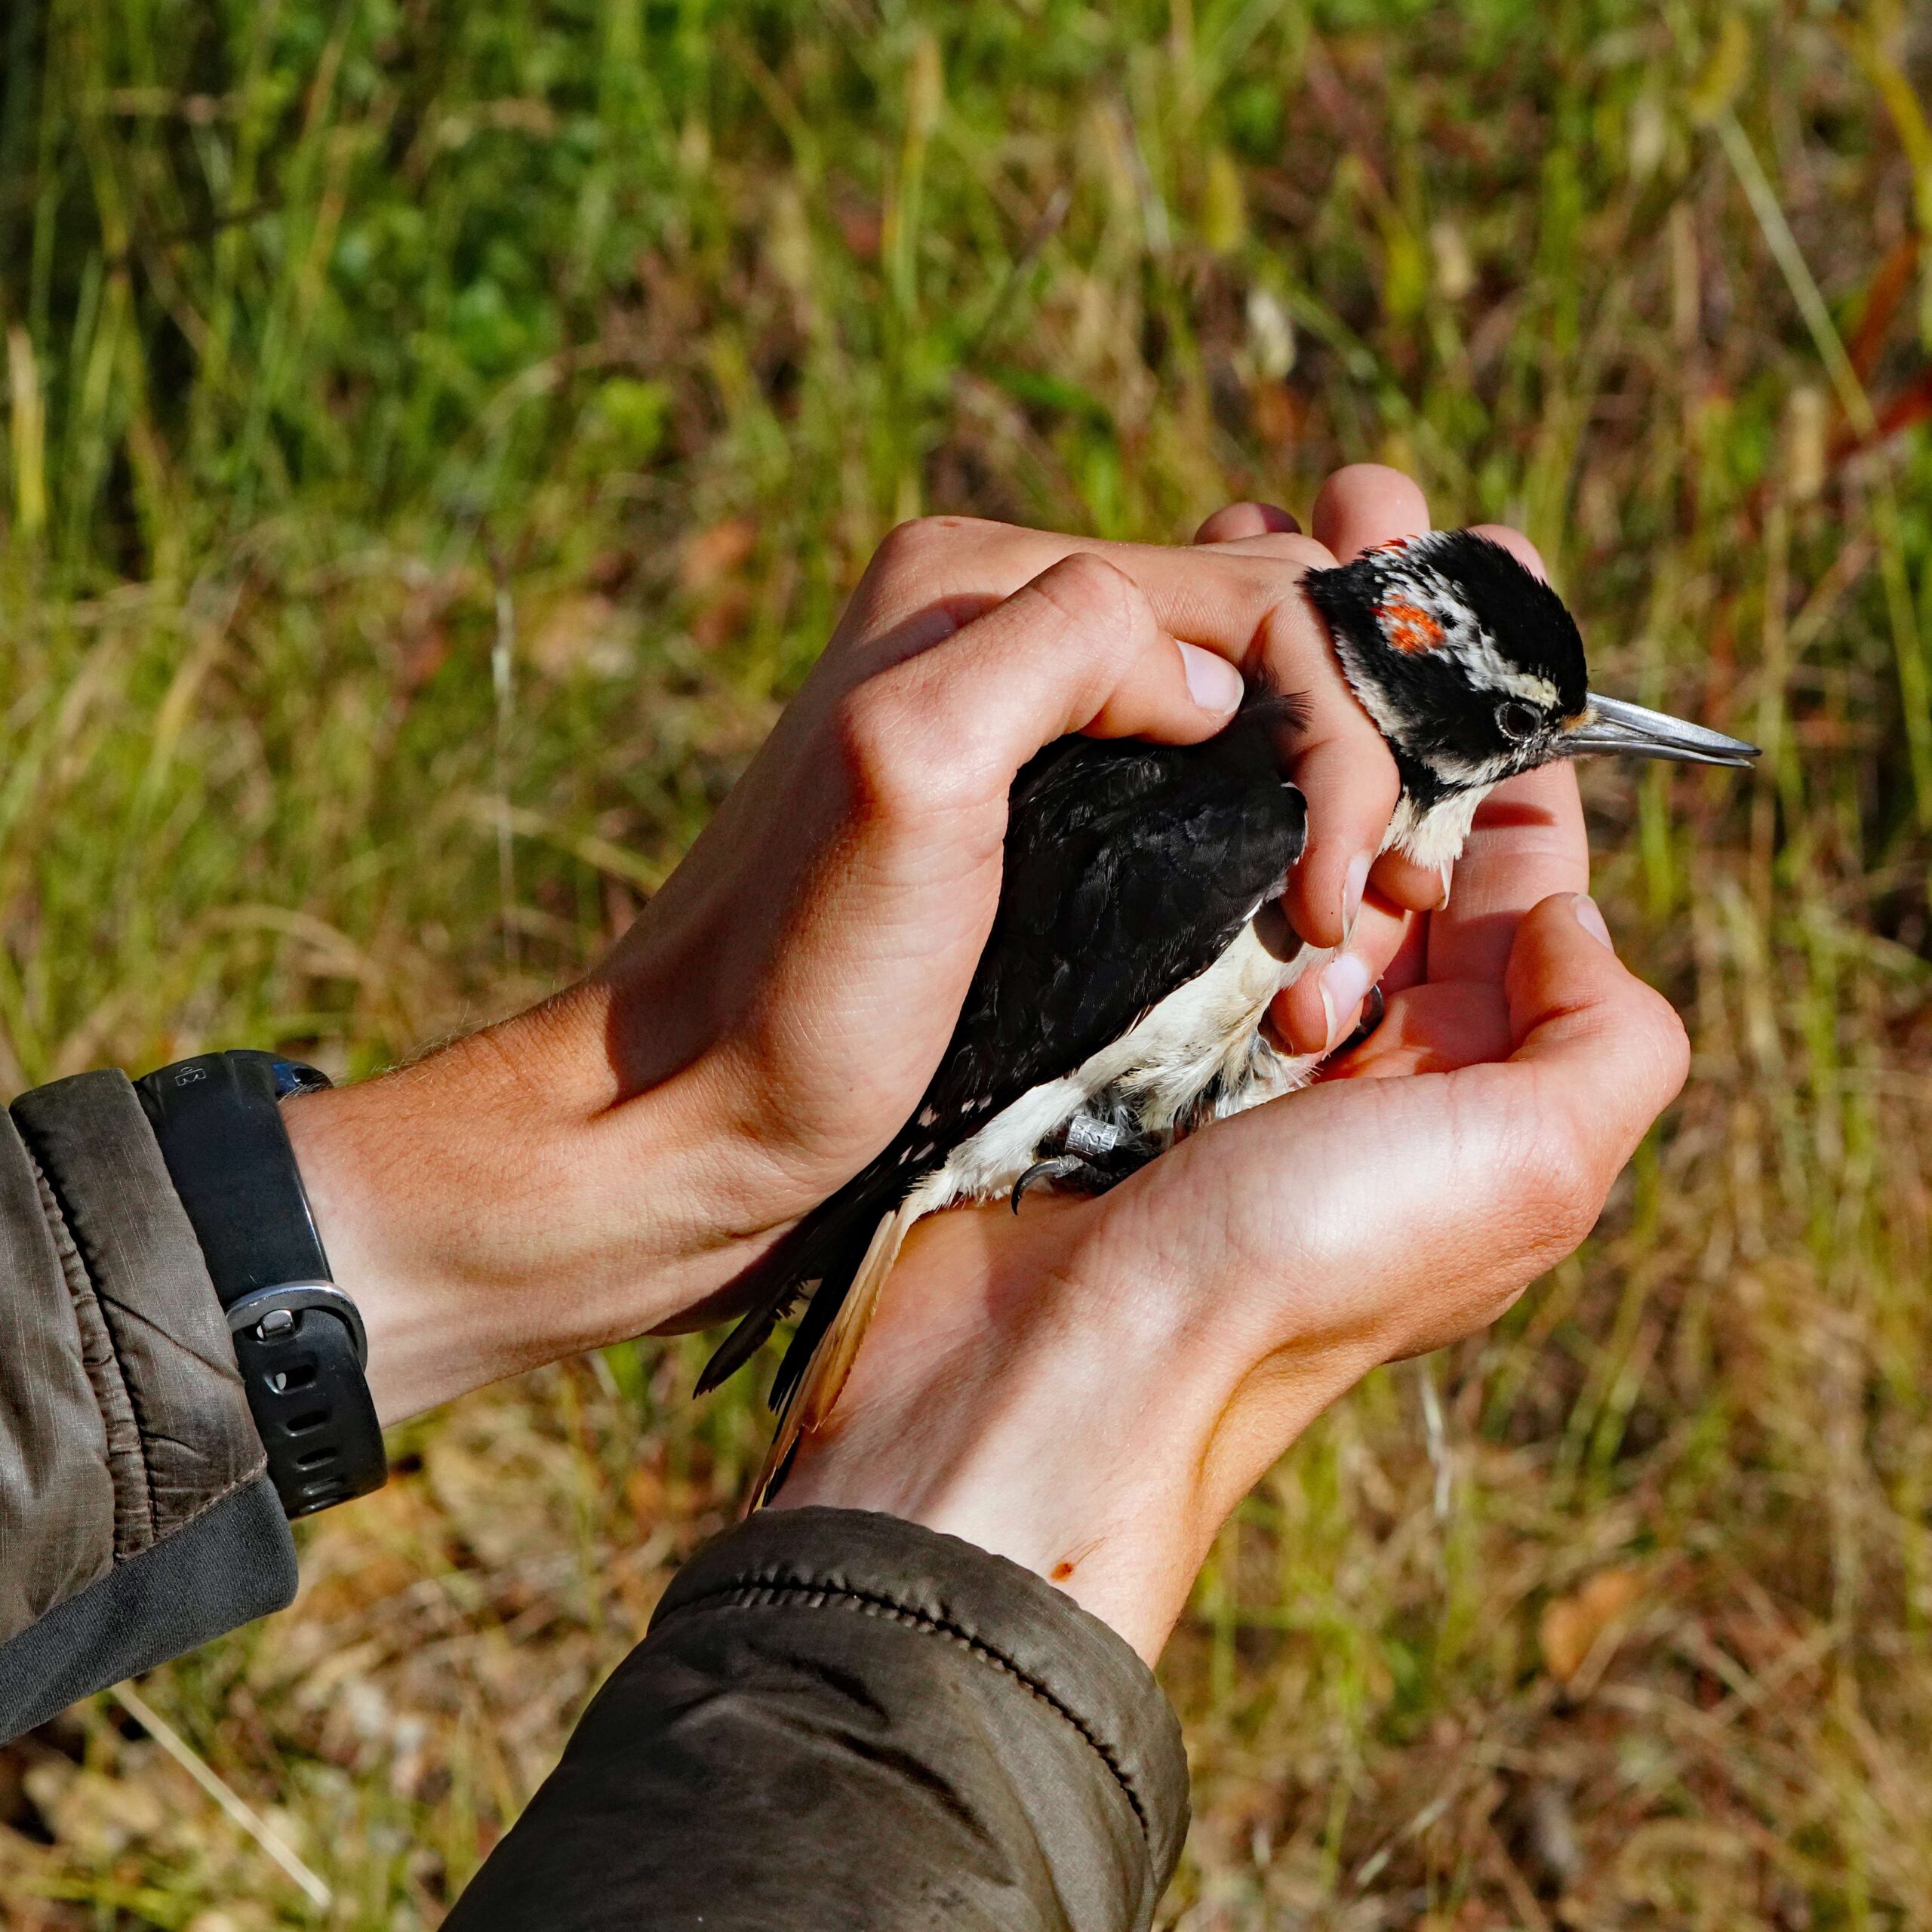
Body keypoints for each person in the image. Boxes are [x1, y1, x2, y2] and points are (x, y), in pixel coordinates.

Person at [0, 468, 1688, 1928]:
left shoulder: (1270, 786)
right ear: (1411, 684)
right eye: (1518, 735)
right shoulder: (1243, 813)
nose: (1568, 761)